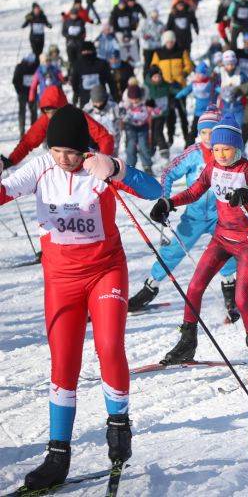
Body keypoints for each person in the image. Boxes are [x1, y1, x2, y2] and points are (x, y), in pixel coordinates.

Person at [0, 106, 161, 491]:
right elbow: (4, 192)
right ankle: (57, 456)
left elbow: (155, 191)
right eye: (57, 151)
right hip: (61, 280)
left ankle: (119, 428)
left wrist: (119, 169)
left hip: (105, 271)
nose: (63, 159)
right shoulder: (40, 168)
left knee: (108, 346)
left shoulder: (96, 168)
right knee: (64, 362)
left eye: (70, 152)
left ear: (84, 148)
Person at [151, 113, 248, 379]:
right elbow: (194, 191)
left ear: (237, 148)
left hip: (247, 242)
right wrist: (169, 203)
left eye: (226, 148)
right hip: (221, 237)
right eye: (216, 149)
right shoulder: (212, 168)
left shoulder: (247, 169)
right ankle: (187, 343)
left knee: (242, 299)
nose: (220, 154)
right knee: (193, 287)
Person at [129, 107, 240, 317]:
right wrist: (165, 199)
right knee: (174, 250)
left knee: (228, 250)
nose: (208, 137)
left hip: (222, 215)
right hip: (195, 215)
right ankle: (150, 286)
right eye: (204, 132)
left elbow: (242, 176)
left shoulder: (228, 152)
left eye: (212, 132)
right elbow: (169, 172)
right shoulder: (194, 154)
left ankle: (229, 288)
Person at [152, 31, 194, 147]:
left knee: (182, 112)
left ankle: (186, 136)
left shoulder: (181, 51)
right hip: (166, 88)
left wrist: (183, 75)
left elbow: (189, 66)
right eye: (167, 41)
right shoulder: (159, 53)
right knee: (169, 114)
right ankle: (170, 136)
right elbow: (154, 68)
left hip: (179, 87)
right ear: (164, 42)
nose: (170, 43)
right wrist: (159, 78)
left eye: (171, 41)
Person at [121, 81, 155, 174]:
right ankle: (130, 167)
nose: (135, 101)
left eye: (137, 99)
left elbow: (155, 110)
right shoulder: (125, 104)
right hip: (130, 127)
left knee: (143, 145)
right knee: (130, 146)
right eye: (132, 99)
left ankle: (147, 166)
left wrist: (153, 110)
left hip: (143, 126)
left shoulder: (146, 102)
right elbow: (121, 114)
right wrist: (123, 118)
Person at [70, 42, 116, 108]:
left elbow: (110, 80)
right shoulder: (77, 65)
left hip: (101, 99)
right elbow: (74, 82)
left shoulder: (101, 64)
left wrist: (114, 95)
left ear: (93, 51)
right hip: (85, 99)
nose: (86, 52)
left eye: (88, 50)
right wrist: (77, 95)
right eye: (84, 51)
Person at [84, 85, 122, 157]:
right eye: (96, 102)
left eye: (100, 102)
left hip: (111, 143)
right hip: (94, 144)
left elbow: (118, 126)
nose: (98, 105)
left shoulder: (114, 107)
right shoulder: (87, 109)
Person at [13, 53, 39, 137]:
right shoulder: (20, 67)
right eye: (29, 62)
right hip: (22, 93)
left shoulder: (35, 66)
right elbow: (15, 81)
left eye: (32, 63)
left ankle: (33, 130)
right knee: (22, 112)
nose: (30, 64)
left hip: (32, 92)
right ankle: (22, 131)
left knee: (34, 111)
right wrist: (19, 91)